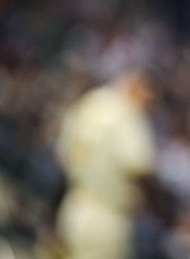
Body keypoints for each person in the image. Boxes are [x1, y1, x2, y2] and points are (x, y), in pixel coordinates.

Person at [55, 68, 157, 259]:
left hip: (75, 204)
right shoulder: (126, 115)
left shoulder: (92, 102)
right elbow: (141, 168)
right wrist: (165, 213)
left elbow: (64, 157)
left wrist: (52, 212)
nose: (148, 103)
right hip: (106, 218)